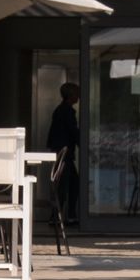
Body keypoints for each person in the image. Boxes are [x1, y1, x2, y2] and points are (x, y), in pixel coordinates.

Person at [44, 83, 84, 239]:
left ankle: (61, 216)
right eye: (77, 93)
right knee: (67, 184)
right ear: (70, 95)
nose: (79, 96)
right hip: (63, 153)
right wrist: (85, 147)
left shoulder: (62, 110)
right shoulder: (66, 112)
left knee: (69, 184)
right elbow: (74, 132)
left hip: (61, 151)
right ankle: (62, 216)